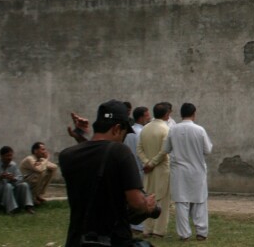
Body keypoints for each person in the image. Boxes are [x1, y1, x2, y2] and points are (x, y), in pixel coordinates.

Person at [59, 100, 156, 247]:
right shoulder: (120, 152)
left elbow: (92, 157)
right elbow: (136, 203)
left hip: (78, 239)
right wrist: (147, 205)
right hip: (113, 239)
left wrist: (80, 136)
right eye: (124, 133)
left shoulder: (67, 156)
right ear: (117, 128)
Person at [162, 102, 213, 241]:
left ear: (181, 114)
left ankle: (184, 234)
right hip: (197, 171)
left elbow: (166, 149)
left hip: (179, 171)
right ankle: (201, 232)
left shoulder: (173, 129)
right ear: (194, 114)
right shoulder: (199, 130)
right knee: (199, 201)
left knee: (181, 203)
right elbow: (207, 150)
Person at [137, 102, 172, 238]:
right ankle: (158, 230)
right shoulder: (166, 129)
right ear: (166, 114)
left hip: (148, 169)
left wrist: (147, 162)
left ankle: (147, 229)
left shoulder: (145, 128)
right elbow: (164, 150)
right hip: (161, 168)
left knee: (149, 197)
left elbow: (139, 148)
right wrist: (152, 163)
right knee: (162, 199)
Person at [124, 106, 151, 235]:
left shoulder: (129, 131)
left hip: (128, 168)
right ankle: (138, 226)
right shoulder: (141, 133)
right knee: (140, 197)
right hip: (140, 168)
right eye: (147, 115)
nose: (149, 117)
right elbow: (142, 152)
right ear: (141, 117)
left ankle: (130, 223)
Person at [0, 146, 35, 214]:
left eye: (11, 155)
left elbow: (19, 178)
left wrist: (13, 179)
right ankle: (11, 210)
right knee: (8, 186)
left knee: (24, 185)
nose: (9, 158)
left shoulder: (13, 165)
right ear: (2, 156)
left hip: (10, 192)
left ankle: (28, 207)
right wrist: (0, 178)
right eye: (7, 156)